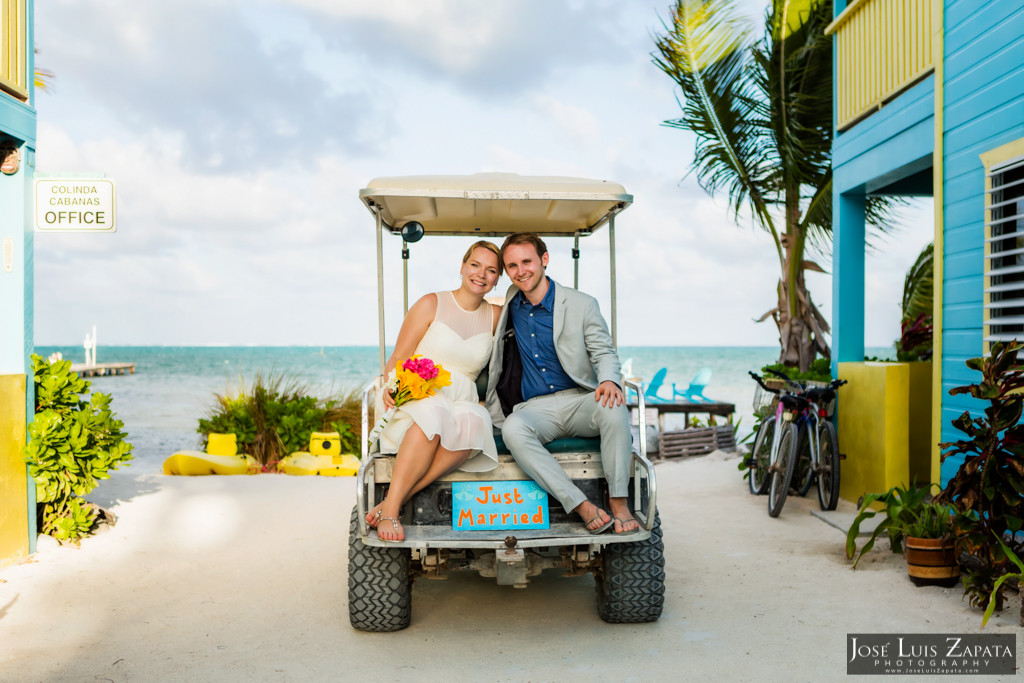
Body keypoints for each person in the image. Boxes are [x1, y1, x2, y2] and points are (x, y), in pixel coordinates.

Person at [486, 233, 640, 534]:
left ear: (544, 260)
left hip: (581, 399)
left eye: (527, 262)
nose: (521, 271)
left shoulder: (582, 304)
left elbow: (604, 352)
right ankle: (581, 505)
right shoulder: (510, 302)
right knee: (514, 428)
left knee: (613, 407)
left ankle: (619, 502)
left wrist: (609, 379)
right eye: (512, 266)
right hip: (536, 408)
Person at [366, 241, 502, 542]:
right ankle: (390, 513)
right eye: (475, 265)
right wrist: (392, 386)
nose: (481, 274)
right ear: (462, 266)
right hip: (420, 389)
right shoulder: (432, 303)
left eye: (491, 270)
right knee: (434, 412)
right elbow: (399, 356)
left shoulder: (495, 315)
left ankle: (392, 500)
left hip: (462, 395)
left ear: (497, 278)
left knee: (474, 423)